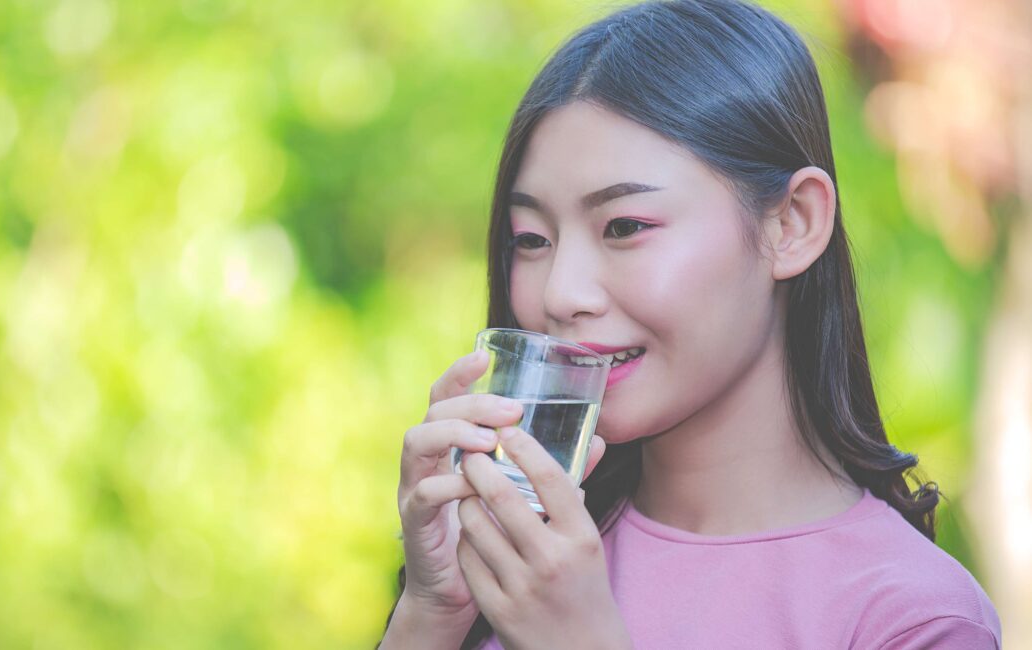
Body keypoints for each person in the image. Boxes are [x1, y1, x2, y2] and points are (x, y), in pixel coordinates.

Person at [378, 0, 1002, 647]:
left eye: (624, 227)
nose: (560, 293)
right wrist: (432, 612)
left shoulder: (914, 618)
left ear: (792, 224)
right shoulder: (514, 557)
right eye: (531, 239)